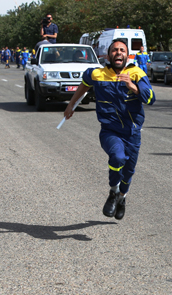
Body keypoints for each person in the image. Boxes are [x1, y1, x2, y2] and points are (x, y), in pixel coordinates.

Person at [63, 39, 155, 220]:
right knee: (118, 157)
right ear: (108, 55)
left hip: (132, 133)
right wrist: (71, 104)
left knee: (128, 172)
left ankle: (122, 198)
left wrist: (133, 86)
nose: (118, 53)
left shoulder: (136, 73)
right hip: (109, 131)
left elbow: (150, 98)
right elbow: (84, 84)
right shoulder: (97, 73)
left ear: (127, 55)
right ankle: (113, 192)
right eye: (114, 50)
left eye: (122, 50)